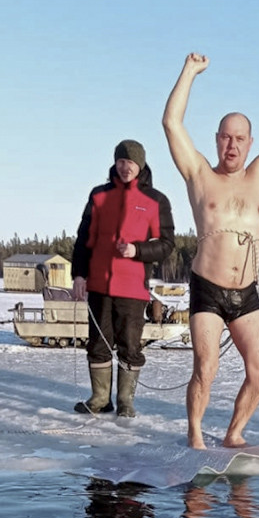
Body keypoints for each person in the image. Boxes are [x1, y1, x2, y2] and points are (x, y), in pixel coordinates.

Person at [162, 50, 259, 449]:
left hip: (247, 293)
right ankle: (194, 435)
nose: (233, 145)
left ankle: (234, 433)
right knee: (206, 368)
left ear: (250, 142)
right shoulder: (200, 174)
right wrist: (188, 71)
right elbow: (171, 123)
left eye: (240, 138)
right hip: (207, 287)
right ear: (217, 140)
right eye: (226, 137)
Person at [71, 139, 175, 417]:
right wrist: (79, 274)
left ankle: (126, 402)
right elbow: (83, 240)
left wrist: (136, 250)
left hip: (132, 288)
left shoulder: (155, 200)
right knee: (98, 342)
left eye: (130, 162)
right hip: (99, 285)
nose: (125, 167)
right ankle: (100, 399)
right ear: (114, 163)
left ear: (140, 165)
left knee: (129, 345)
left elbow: (166, 244)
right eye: (121, 161)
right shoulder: (99, 196)